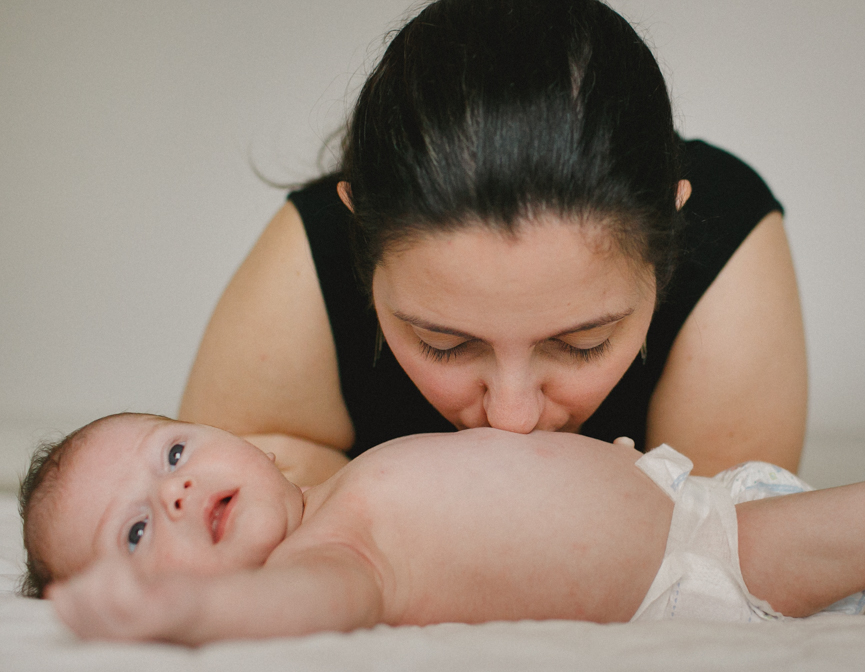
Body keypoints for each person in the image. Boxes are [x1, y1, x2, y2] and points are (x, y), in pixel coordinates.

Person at [178, 0, 808, 489]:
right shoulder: (310, 251)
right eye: (442, 343)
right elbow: (213, 502)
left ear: (671, 232)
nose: (512, 418)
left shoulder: (727, 235)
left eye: (584, 343)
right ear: (358, 232)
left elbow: (727, 548)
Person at [19, 413, 865, 645]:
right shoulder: (339, 554)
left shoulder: (343, 485)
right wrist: (196, 609)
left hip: (703, 500)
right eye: (137, 532)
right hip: (701, 560)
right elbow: (309, 603)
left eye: (172, 452)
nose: (176, 491)